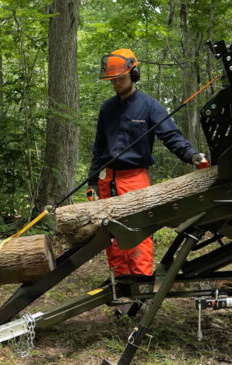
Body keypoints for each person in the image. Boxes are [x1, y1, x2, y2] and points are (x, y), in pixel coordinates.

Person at [87, 48, 209, 278]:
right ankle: (120, 283)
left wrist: (192, 155)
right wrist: (93, 180)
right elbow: (99, 148)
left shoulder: (149, 106)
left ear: (134, 74)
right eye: (112, 80)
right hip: (108, 179)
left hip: (135, 178)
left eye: (120, 79)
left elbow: (171, 136)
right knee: (111, 237)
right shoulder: (107, 109)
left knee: (138, 235)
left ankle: (141, 285)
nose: (116, 84)